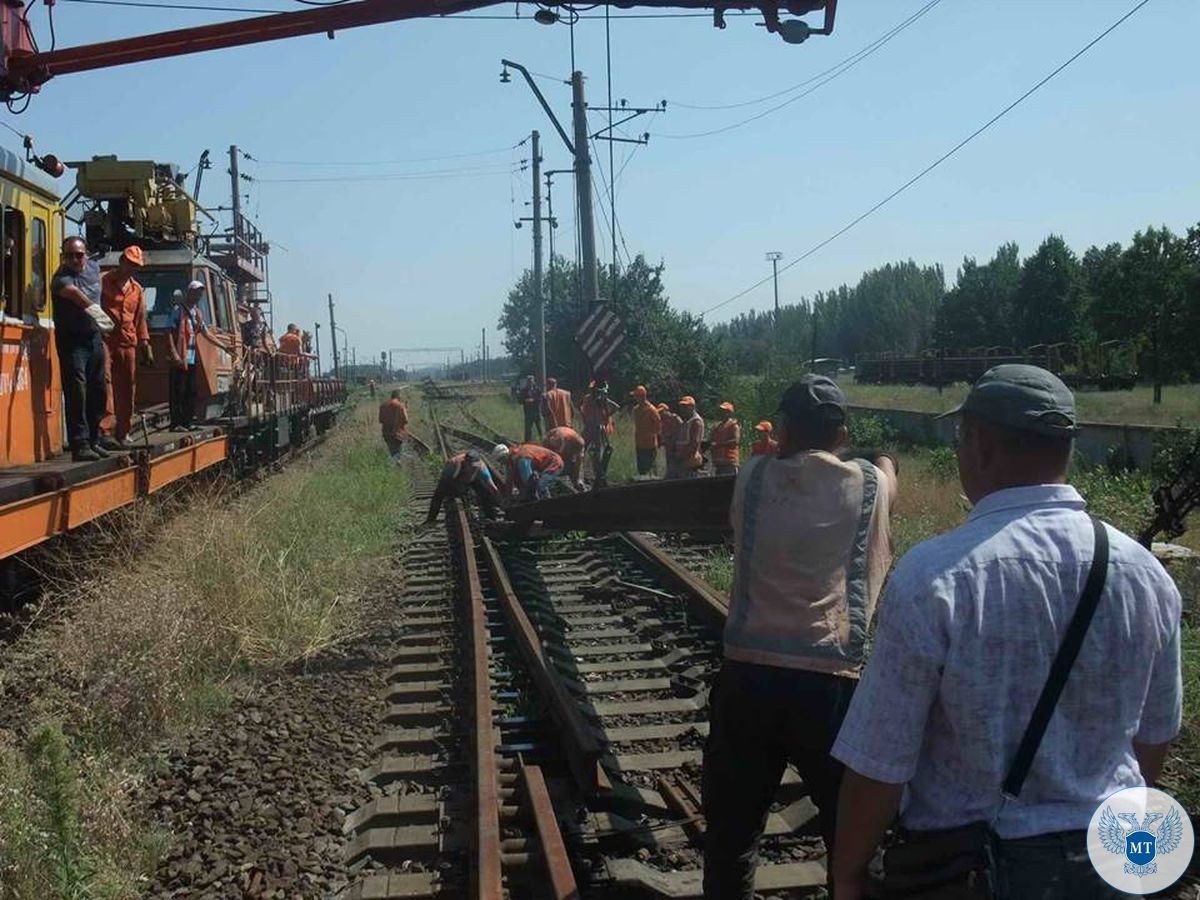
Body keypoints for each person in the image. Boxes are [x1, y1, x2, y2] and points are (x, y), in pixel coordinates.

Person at [831, 365, 1181, 900]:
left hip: (977, 869)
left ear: (980, 444)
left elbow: (881, 763)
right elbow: (1153, 741)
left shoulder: (935, 578)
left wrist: (849, 875)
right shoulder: (1145, 573)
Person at [702, 375, 898, 900]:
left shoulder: (754, 478)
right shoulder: (870, 486)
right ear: (842, 432)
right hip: (828, 683)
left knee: (733, 832)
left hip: (749, 676)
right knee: (848, 833)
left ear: (783, 430)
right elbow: (885, 468)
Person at [51, 236, 113, 461]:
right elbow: (78, 297)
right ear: (63, 257)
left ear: (86, 254)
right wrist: (101, 316)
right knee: (77, 390)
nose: (75, 259)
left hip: (94, 339)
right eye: (69, 255)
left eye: (79, 254)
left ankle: (95, 440)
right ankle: (80, 444)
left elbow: (104, 277)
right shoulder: (61, 279)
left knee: (98, 389)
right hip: (72, 342)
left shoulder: (94, 267)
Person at [99, 245, 153, 449]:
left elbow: (140, 319)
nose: (132, 268)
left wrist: (145, 344)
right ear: (122, 260)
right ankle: (105, 430)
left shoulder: (136, 289)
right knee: (105, 381)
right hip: (106, 338)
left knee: (127, 387)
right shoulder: (102, 281)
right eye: (129, 263)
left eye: (136, 266)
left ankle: (124, 432)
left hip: (128, 342)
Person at [166, 281, 208, 431]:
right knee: (179, 391)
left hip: (191, 357)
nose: (198, 295)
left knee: (191, 390)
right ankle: (176, 423)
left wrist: (224, 346)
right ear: (189, 293)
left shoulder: (197, 313)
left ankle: (187, 422)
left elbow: (205, 333)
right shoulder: (178, 310)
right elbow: (169, 331)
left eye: (200, 293)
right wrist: (174, 353)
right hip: (180, 357)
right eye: (196, 292)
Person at [426, 450, 501, 522]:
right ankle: (431, 518)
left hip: (471, 480)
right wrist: (456, 491)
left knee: (485, 492)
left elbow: (491, 485)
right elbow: (445, 481)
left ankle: (490, 517)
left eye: (474, 467)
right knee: (439, 494)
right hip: (453, 479)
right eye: (470, 466)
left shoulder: (482, 468)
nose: (472, 468)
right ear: (466, 462)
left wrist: (499, 498)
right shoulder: (453, 464)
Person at [580, 381, 620, 487]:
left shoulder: (602, 400)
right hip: (589, 427)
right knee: (581, 449)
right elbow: (582, 410)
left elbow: (616, 407)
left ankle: (599, 476)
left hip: (598, 428)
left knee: (598, 454)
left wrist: (606, 415)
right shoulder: (588, 398)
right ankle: (582, 474)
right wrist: (585, 419)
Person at [494, 442, 563, 502]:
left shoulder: (522, 459)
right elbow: (510, 479)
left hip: (554, 463)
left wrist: (523, 495)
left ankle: (548, 504)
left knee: (541, 485)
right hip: (543, 466)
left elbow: (529, 480)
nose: (501, 463)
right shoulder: (512, 459)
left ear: (505, 456)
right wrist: (508, 497)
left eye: (501, 460)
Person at [631, 385, 661, 477]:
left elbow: (658, 427)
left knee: (651, 469)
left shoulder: (651, 410)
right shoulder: (636, 410)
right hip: (639, 444)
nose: (635, 398)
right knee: (641, 470)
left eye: (636, 396)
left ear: (642, 396)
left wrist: (649, 436)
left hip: (650, 445)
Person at [675, 396, 705, 478]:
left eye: (685, 406)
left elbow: (694, 443)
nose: (682, 409)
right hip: (683, 462)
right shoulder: (686, 421)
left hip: (690, 462)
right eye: (682, 406)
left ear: (692, 407)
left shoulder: (696, 421)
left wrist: (682, 456)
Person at [709, 401, 741, 476]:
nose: (722, 413)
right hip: (718, 464)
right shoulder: (716, 427)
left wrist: (719, 444)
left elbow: (736, 441)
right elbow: (711, 440)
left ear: (729, 413)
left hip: (729, 463)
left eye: (724, 411)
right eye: (721, 411)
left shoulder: (733, 426)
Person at [378, 389, 409, 460]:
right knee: (398, 453)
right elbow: (406, 420)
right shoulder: (400, 406)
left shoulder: (383, 405)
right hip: (398, 434)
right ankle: (397, 465)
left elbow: (381, 420)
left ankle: (393, 465)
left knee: (392, 452)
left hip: (386, 433)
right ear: (399, 396)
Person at [658, 403, 683, 479]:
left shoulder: (676, 419)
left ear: (667, 410)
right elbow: (662, 435)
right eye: (659, 413)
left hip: (677, 447)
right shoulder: (662, 422)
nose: (661, 414)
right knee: (670, 463)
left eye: (662, 412)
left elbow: (682, 432)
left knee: (677, 464)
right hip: (668, 447)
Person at [517, 374, 543, 442]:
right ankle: (528, 442)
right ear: (527, 382)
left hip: (536, 411)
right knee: (528, 429)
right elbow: (519, 401)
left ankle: (542, 440)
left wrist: (533, 400)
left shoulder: (537, 389)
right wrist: (525, 401)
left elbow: (540, 399)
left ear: (533, 381)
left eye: (531, 381)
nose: (530, 383)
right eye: (528, 381)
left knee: (539, 428)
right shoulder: (523, 390)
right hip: (528, 412)